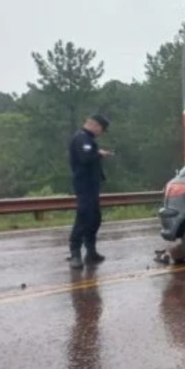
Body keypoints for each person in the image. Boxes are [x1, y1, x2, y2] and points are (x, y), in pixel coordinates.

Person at [68, 114, 113, 269]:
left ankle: (91, 251)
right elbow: (85, 158)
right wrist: (99, 153)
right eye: (101, 129)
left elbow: (88, 155)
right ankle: (75, 253)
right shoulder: (81, 138)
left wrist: (98, 152)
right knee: (83, 218)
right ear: (94, 125)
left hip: (92, 185)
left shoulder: (88, 140)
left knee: (94, 218)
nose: (101, 132)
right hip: (84, 184)